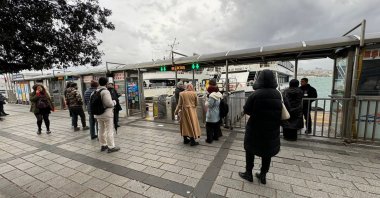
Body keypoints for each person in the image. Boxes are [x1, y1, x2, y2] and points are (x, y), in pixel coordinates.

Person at [239, 70, 282, 184]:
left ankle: (248, 173)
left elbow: (247, 110)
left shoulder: (255, 94)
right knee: (267, 153)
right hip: (271, 128)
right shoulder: (277, 94)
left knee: (250, 150)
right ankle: (263, 175)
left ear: (260, 79)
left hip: (255, 128)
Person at [95, 77, 120, 153]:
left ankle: (103, 145)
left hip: (98, 114)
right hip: (106, 114)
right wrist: (114, 102)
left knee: (101, 129)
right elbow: (109, 103)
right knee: (109, 130)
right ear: (106, 83)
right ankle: (111, 147)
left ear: (99, 83)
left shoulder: (95, 91)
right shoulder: (105, 91)